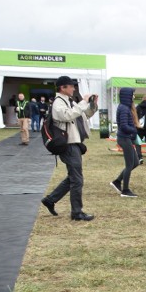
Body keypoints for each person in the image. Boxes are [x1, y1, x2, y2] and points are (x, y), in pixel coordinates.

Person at [41, 76, 99, 221]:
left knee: (74, 177)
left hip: (74, 143)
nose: (74, 88)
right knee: (77, 180)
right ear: (63, 88)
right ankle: (76, 212)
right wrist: (83, 101)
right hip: (67, 144)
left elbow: (83, 115)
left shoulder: (69, 101)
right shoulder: (58, 103)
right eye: (71, 86)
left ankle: (50, 199)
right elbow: (68, 115)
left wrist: (92, 105)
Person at [110, 87, 139, 198]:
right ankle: (125, 190)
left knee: (135, 162)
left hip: (126, 138)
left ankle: (117, 181)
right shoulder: (124, 108)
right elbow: (124, 126)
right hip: (124, 138)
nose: (134, 97)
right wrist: (134, 130)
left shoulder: (125, 107)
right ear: (128, 96)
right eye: (132, 95)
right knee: (129, 165)